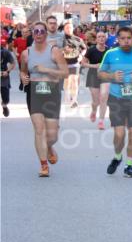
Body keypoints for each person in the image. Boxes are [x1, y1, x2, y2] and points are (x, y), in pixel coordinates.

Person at [99, 26, 132, 179]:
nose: (126, 41)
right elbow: (100, 73)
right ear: (118, 39)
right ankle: (117, 156)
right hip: (117, 99)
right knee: (119, 134)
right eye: (122, 38)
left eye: (129, 38)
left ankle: (129, 166)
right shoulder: (110, 54)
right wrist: (112, 76)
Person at [20, 22, 69, 177]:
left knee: (52, 136)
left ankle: (48, 147)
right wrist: (23, 77)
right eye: (36, 31)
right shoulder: (26, 53)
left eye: (42, 31)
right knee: (39, 129)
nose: (39, 34)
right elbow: (23, 71)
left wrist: (46, 69)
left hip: (51, 93)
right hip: (34, 93)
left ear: (46, 34)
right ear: (32, 34)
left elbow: (65, 73)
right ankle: (43, 165)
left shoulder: (54, 51)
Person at [81, 30, 111, 129]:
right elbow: (83, 63)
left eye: (103, 37)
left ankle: (101, 121)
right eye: (99, 37)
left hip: (105, 75)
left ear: (105, 39)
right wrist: (94, 66)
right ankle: (94, 110)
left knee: (103, 97)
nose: (101, 38)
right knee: (96, 101)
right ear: (96, 39)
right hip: (93, 75)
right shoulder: (91, 50)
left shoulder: (109, 51)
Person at [62, 22, 85, 109]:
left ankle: (74, 100)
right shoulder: (61, 39)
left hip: (75, 62)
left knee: (74, 80)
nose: (69, 29)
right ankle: (68, 97)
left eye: (70, 27)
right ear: (64, 29)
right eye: (67, 28)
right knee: (67, 81)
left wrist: (81, 55)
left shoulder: (78, 39)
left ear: (73, 28)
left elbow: (84, 48)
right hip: (64, 63)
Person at [0, 36, 15, 117]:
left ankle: (4, 105)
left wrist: (7, 71)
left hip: (3, 77)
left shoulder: (5, 52)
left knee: (6, 99)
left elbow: (13, 63)